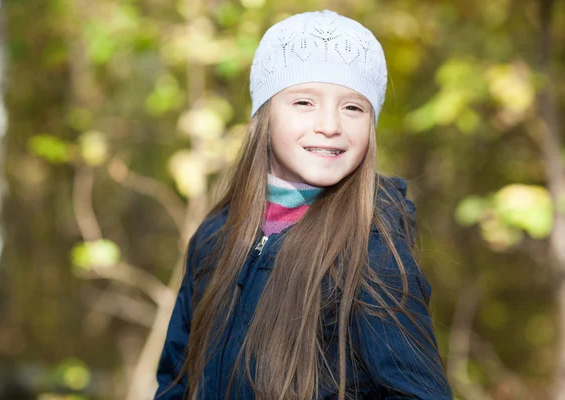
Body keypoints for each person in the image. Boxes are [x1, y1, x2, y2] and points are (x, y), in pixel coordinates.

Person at [154, 9, 454, 400]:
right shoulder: (215, 236)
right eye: (304, 102)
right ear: (264, 115)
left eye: (352, 107)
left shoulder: (370, 247)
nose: (330, 125)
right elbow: (175, 379)